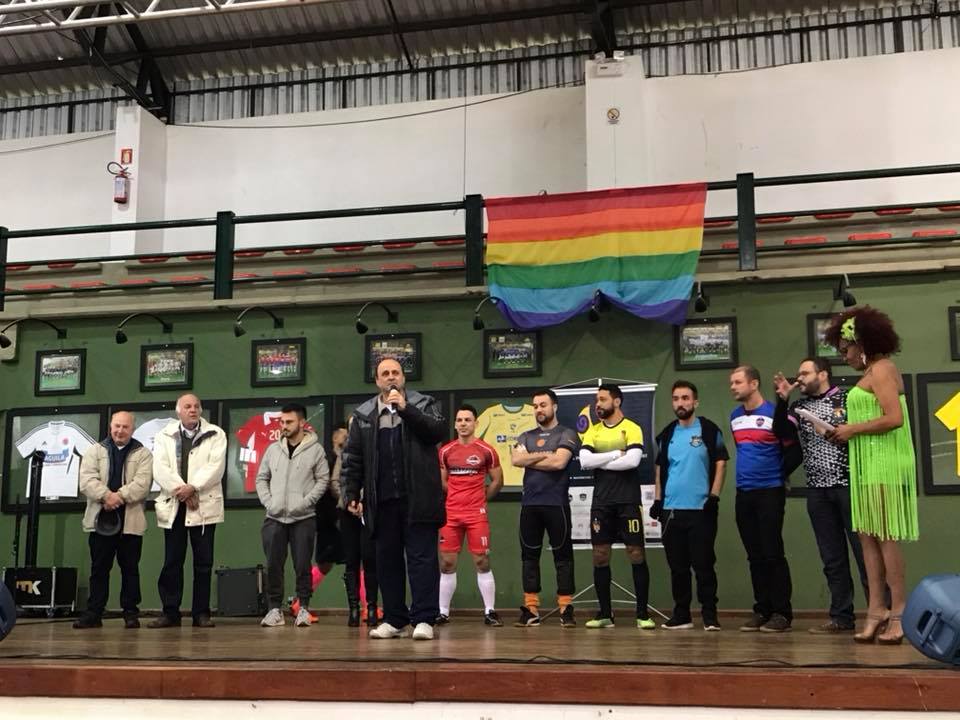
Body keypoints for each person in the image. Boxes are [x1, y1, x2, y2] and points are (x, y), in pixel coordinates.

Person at [824, 307, 918, 645]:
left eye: (845, 348)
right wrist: (844, 432)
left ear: (862, 343)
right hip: (867, 462)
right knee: (866, 535)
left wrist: (853, 429)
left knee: (884, 535)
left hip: (885, 462)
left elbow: (894, 418)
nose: (843, 355)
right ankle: (875, 608)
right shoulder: (870, 372)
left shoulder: (882, 369)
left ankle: (899, 610)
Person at [341, 357, 447, 641]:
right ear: (377, 381)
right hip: (382, 501)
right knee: (386, 561)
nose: (391, 378)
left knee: (422, 560)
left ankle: (424, 618)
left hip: (419, 498)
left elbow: (436, 432)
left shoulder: (424, 404)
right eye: (385, 374)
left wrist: (406, 409)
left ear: (403, 378)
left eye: (395, 373)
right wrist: (350, 491)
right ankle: (395, 619)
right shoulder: (363, 415)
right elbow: (352, 459)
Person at [773, 358, 870, 634]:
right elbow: (779, 432)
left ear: (823, 374)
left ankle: (881, 612)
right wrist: (782, 401)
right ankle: (842, 617)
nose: (799, 378)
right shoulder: (799, 407)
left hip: (850, 486)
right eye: (798, 373)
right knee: (832, 558)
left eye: (804, 373)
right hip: (818, 491)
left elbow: (866, 431)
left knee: (866, 555)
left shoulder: (848, 397)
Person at [650, 381, 728, 631]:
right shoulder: (667, 434)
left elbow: (721, 463)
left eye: (685, 398)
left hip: (701, 510)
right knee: (678, 567)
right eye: (675, 398)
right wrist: (658, 500)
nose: (680, 403)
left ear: (695, 402)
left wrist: (714, 497)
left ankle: (709, 616)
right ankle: (682, 615)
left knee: (704, 565)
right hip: (672, 511)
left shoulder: (708, 429)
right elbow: (660, 469)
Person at [729, 366, 801, 633]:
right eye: (731, 382)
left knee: (772, 553)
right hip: (743, 493)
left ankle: (782, 613)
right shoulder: (735, 416)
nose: (733, 387)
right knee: (754, 556)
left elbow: (795, 453)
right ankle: (763, 610)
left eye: (738, 382)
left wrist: (777, 475)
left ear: (754, 383)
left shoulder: (774, 414)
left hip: (770, 492)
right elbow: (745, 451)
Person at [578, 384, 653, 630]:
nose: (597, 404)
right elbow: (585, 461)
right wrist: (613, 455)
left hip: (628, 502)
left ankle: (642, 614)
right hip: (601, 502)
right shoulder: (593, 431)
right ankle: (605, 615)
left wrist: (600, 460)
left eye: (602, 399)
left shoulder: (632, 428)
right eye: (595, 400)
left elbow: (632, 461)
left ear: (617, 401)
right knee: (600, 556)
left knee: (636, 554)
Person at [150, 393, 227, 628]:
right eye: (187, 406)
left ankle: (201, 613)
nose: (192, 410)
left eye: (196, 406)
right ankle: (170, 612)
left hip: (203, 503)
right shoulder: (164, 435)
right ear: (178, 411)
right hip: (175, 504)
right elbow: (160, 467)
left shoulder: (216, 433)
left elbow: (216, 467)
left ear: (201, 410)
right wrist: (181, 490)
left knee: (203, 563)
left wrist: (193, 488)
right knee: (172, 561)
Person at [73, 411, 153, 629]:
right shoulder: (94, 451)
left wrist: (119, 497)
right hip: (100, 522)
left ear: (132, 429)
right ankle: (94, 613)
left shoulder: (143, 454)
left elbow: (143, 484)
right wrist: (105, 496)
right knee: (99, 569)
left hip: (131, 523)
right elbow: (86, 480)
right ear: (110, 426)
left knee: (130, 569)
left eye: (125, 427)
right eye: (117, 426)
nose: (120, 430)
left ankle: (130, 613)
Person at [255, 403, 329, 628]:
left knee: (303, 565)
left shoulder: (316, 450)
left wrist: (304, 503)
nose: (284, 426)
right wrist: (270, 502)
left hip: (303, 518)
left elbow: (323, 480)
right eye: (282, 422)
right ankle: (274, 610)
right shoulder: (272, 449)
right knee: (273, 565)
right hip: (274, 517)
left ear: (301, 423)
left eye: (289, 422)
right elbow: (261, 478)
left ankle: (303, 608)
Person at [511, 389, 578, 628]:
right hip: (530, 505)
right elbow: (515, 460)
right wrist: (545, 454)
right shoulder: (526, 435)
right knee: (529, 557)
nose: (539, 409)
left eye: (543, 405)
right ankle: (531, 609)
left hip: (556, 504)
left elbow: (560, 462)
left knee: (563, 556)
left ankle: (566, 608)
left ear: (555, 407)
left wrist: (531, 456)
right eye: (535, 406)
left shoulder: (567, 433)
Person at [437, 404, 504, 626]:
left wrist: (481, 498)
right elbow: (442, 481)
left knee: (482, 561)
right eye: (459, 420)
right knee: (447, 562)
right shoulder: (446, 451)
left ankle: (489, 611)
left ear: (475, 423)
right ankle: (443, 612)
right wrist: (457, 495)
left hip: (477, 513)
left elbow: (497, 481)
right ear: (455, 424)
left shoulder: (487, 450)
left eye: (467, 420)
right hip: (451, 514)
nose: (463, 424)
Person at [332, 421, 379, 627]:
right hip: (347, 513)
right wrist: (348, 501)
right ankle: (353, 609)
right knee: (351, 562)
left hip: (369, 512)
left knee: (370, 560)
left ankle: (371, 607)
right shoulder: (345, 453)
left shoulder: (377, 450)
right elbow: (336, 481)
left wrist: (364, 502)